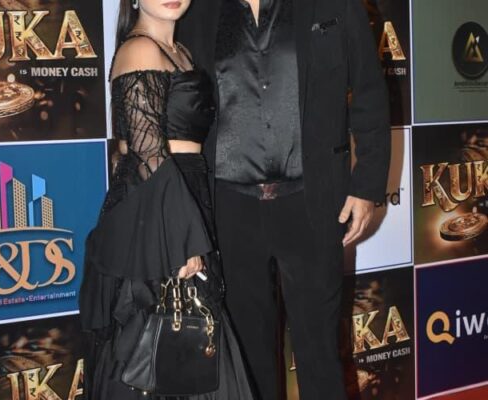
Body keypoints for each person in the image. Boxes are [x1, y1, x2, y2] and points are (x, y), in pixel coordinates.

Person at [177, 0, 391, 399]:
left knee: (320, 352)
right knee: (248, 357)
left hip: (311, 203)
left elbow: (369, 91)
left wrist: (366, 186)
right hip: (229, 209)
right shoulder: (195, 11)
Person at [79, 1, 254, 399]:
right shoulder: (139, 49)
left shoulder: (181, 52)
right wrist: (180, 237)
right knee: (159, 343)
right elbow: (148, 156)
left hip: (184, 199)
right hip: (154, 211)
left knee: (190, 340)